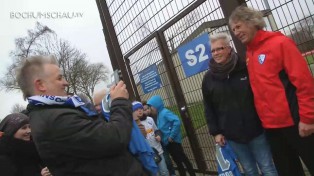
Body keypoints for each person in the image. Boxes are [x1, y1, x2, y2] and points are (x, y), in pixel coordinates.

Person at [17, 56, 144, 176]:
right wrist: (120, 101)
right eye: (59, 78)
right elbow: (115, 138)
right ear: (40, 85)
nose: (66, 83)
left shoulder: (53, 112)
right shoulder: (57, 120)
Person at [229, 6, 314, 176]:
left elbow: (304, 83)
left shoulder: (280, 43)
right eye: (233, 29)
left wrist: (308, 118)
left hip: (297, 123)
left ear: (252, 22)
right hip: (272, 128)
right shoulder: (249, 54)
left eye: (238, 26)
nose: (236, 32)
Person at [202, 33, 277, 176]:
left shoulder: (244, 67)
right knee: (249, 170)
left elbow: (260, 93)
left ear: (229, 49)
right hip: (232, 135)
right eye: (213, 50)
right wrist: (216, 132)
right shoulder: (208, 79)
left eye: (220, 48)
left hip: (256, 130)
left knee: (267, 167)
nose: (216, 53)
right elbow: (209, 108)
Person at [147, 95, 196, 176]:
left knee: (182, 159)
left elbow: (177, 121)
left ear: (156, 105)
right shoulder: (159, 114)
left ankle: (191, 173)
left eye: (151, 106)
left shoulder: (165, 112)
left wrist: (171, 136)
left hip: (173, 142)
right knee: (178, 161)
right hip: (169, 143)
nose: (150, 108)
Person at [132, 101, 169, 176]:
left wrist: (158, 135)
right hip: (148, 154)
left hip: (158, 150)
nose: (140, 110)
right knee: (155, 173)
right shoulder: (133, 125)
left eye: (141, 108)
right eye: (136, 109)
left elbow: (156, 130)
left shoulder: (150, 119)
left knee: (164, 171)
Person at [143, 101, 177, 176]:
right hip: (151, 148)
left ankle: (172, 173)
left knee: (166, 161)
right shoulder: (140, 122)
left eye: (147, 108)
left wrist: (159, 135)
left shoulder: (154, 116)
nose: (147, 111)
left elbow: (157, 130)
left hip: (160, 143)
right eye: (144, 110)